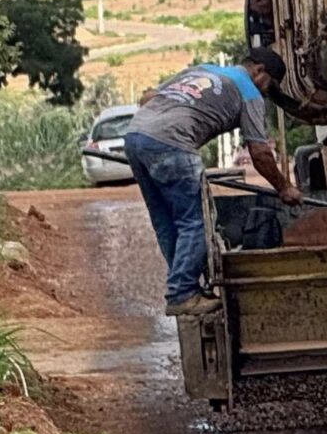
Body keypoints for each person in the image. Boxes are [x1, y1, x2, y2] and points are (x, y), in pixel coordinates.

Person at [122, 49, 301, 315]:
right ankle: (183, 293)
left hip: (136, 136)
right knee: (194, 222)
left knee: (165, 220)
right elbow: (260, 153)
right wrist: (284, 187)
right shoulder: (249, 92)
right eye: (269, 86)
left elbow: (147, 97)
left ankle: (183, 289)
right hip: (173, 142)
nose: (266, 92)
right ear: (259, 71)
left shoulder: (203, 70)